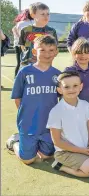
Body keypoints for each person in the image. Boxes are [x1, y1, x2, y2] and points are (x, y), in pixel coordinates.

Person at [6, 35, 60, 165]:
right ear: (35, 52)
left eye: (51, 50)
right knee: (28, 160)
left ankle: (34, 145)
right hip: (29, 124)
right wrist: (26, 115)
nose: (47, 54)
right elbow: (17, 98)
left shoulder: (58, 75)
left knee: (47, 156)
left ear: (56, 52)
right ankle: (15, 142)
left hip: (48, 125)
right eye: (42, 50)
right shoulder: (25, 72)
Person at [48, 71, 89, 177]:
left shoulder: (85, 105)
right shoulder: (56, 111)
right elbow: (57, 142)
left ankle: (86, 160)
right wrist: (81, 150)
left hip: (85, 146)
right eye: (66, 87)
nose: (71, 90)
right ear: (59, 90)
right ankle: (60, 166)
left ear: (81, 87)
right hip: (66, 152)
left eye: (75, 86)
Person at [65, 38, 89, 142]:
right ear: (73, 53)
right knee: (76, 143)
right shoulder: (69, 71)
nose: (83, 56)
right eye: (79, 53)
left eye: (86, 53)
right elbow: (65, 96)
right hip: (74, 115)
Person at [19, 2, 58, 67]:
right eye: (42, 14)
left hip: (45, 66)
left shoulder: (51, 31)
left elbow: (54, 49)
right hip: (27, 66)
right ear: (33, 15)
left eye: (48, 14)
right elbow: (23, 47)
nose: (46, 17)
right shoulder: (25, 30)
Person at [12, 9, 33, 77]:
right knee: (27, 62)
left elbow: (14, 31)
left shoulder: (19, 23)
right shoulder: (31, 22)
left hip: (19, 44)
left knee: (20, 63)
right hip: (26, 45)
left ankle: (16, 78)